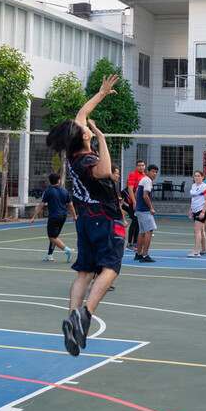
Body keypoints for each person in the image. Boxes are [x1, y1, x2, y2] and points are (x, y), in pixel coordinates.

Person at [44, 74, 126, 356]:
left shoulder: (73, 154)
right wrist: (102, 138)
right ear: (84, 138)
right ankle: (85, 314)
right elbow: (104, 171)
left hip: (84, 222)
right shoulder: (87, 159)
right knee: (111, 268)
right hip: (105, 219)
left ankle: (72, 317)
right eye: (86, 131)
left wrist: (101, 93)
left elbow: (82, 112)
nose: (87, 128)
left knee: (84, 271)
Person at [32, 172, 76, 263]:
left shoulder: (48, 191)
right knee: (55, 236)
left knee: (52, 237)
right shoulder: (65, 191)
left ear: (49, 181)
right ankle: (50, 255)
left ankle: (67, 250)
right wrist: (74, 216)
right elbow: (70, 205)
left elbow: (41, 204)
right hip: (63, 216)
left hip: (54, 216)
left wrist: (34, 216)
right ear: (59, 181)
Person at [133, 164, 159, 263]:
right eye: (153, 171)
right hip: (144, 210)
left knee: (142, 232)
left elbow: (136, 193)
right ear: (148, 171)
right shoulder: (147, 180)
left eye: (156, 172)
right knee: (149, 231)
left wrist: (137, 204)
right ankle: (145, 255)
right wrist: (151, 208)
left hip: (140, 210)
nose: (154, 173)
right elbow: (145, 196)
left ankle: (138, 254)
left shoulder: (143, 179)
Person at [187, 169, 206, 258]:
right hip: (195, 210)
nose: (197, 177)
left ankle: (196, 251)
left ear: (202, 177)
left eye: (198, 176)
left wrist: (203, 212)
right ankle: (204, 250)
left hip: (202, 210)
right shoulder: (193, 185)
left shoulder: (205, 186)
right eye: (195, 176)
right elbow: (193, 199)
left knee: (197, 231)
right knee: (201, 230)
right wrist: (190, 210)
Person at [126, 159, 146, 249]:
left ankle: (135, 243)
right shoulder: (133, 174)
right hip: (133, 203)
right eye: (139, 165)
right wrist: (134, 202)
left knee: (138, 222)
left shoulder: (145, 176)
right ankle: (130, 243)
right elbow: (130, 189)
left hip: (141, 203)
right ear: (136, 166)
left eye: (142, 165)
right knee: (134, 221)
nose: (141, 167)